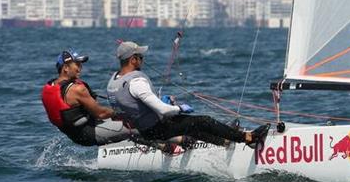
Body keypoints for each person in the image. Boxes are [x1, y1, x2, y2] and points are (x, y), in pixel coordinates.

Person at [106, 41, 268, 149]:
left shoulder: (114, 82)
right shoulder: (136, 82)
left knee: (193, 127)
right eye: (140, 57)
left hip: (144, 129)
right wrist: (178, 108)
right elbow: (163, 110)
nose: (143, 59)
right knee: (203, 121)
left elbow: (131, 107)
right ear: (133, 59)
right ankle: (248, 138)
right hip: (156, 129)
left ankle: (224, 141)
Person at [41, 49, 141, 146]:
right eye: (77, 64)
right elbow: (101, 113)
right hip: (90, 133)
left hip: (75, 135)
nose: (80, 68)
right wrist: (121, 111)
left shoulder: (51, 86)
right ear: (66, 68)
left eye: (81, 65)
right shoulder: (77, 89)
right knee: (140, 126)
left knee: (123, 121)